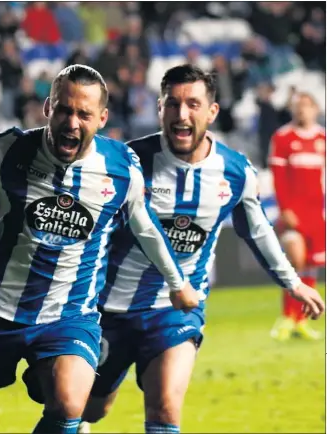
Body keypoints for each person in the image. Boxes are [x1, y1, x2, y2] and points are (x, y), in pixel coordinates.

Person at [0, 64, 199, 434]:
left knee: (68, 406)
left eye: (84, 114)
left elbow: (144, 224)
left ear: (103, 118)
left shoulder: (122, 168)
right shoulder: (11, 149)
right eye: (64, 109)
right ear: (48, 107)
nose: (72, 123)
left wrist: (177, 282)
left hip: (68, 318)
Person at [33, 64, 322, 434]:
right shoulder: (128, 162)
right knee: (89, 409)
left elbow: (258, 231)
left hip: (175, 310)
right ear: (160, 109)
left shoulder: (235, 172)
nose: (182, 115)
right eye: (172, 104)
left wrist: (293, 283)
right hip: (107, 310)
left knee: (166, 408)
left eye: (193, 104)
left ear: (212, 111)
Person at [268, 91, 326, 341]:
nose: (302, 110)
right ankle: (287, 317)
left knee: (311, 265)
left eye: (306, 106)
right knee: (295, 260)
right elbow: (278, 178)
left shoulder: (323, 138)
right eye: (297, 106)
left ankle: (301, 321)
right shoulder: (283, 137)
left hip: (318, 213)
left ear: (315, 108)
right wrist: (285, 208)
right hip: (293, 211)